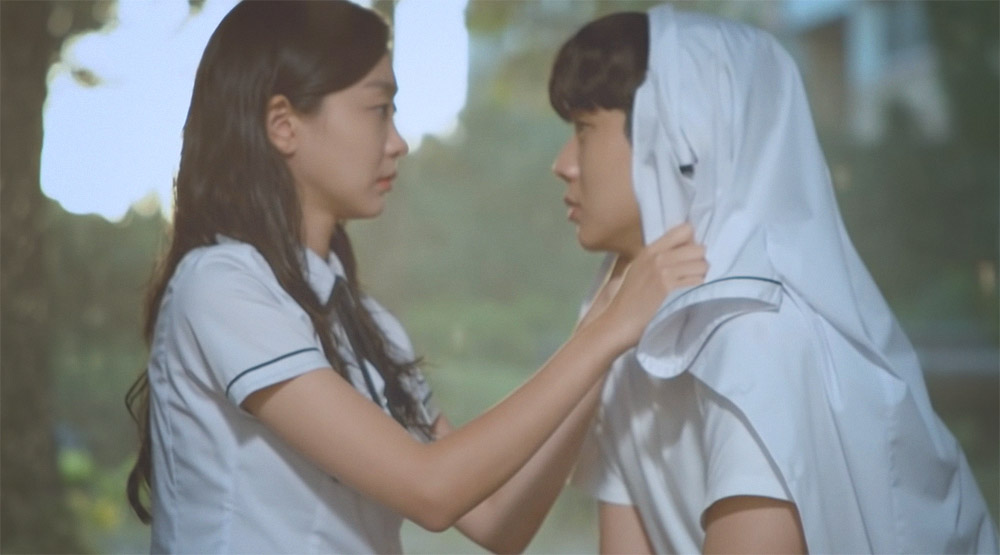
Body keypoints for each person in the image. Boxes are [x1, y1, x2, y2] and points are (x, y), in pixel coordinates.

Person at [122, 2, 707, 553]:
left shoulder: (367, 325)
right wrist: (604, 334)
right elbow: (432, 490)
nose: (398, 142)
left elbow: (497, 520)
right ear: (284, 124)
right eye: (380, 109)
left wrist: (606, 322)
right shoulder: (221, 286)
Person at [549, 5, 998, 554]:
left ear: (683, 138)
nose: (562, 163)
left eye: (583, 129)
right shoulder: (627, 329)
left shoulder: (762, 338)